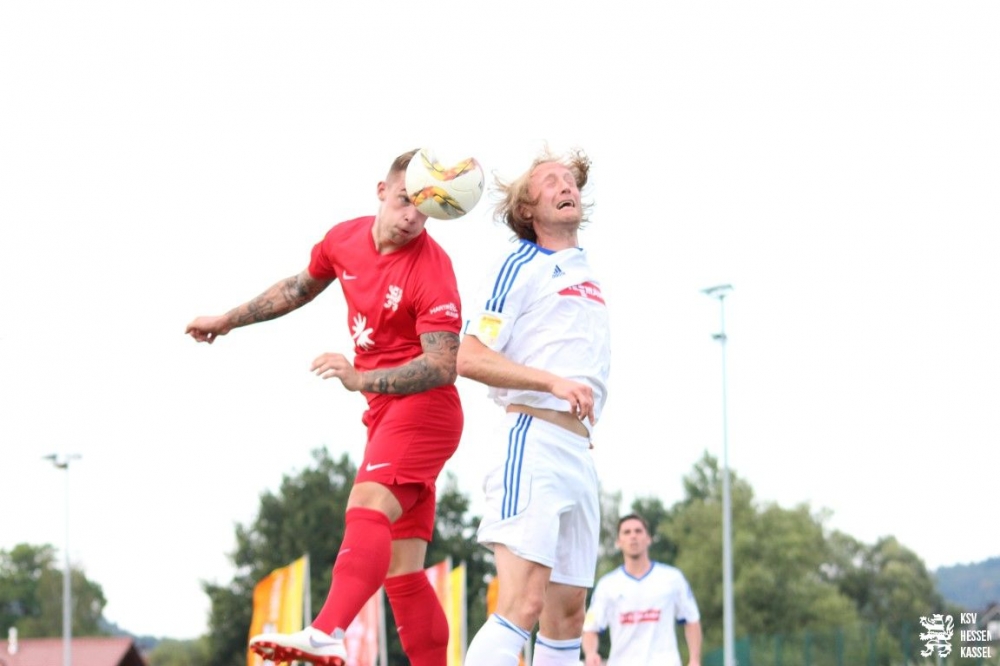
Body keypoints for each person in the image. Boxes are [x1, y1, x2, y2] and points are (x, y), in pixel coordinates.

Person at [186, 149, 464, 666]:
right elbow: (297, 288)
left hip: (425, 410)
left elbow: (443, 366)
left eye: (424, 209)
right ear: (381, 191)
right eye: (405, 201)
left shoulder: (433, 269)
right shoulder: (343, 239)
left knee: (365, 506)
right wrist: (227, 320)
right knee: (402, 570)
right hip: (384, 414)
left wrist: (361, 378)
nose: (412, 217)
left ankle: (325, 632)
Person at [457, 148, 611, 666]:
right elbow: (470, 357)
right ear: (526, 208)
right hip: (533, 440)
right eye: (549, 181)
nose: (565, 186)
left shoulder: (585, 270)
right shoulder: (520, 264)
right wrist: (552, 383)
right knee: (523, 603)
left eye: (570, 180)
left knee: (568, 616)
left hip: (578, 452)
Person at [582, 514, 702, 666]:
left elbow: (692, 619)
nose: (633, 536)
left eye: (638, 531)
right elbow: (590, 629)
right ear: (618, 542)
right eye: (627, 532)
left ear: (648, 539)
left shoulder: (672, 578)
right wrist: (591, 653)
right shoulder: (607, 585)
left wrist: (694, 660)